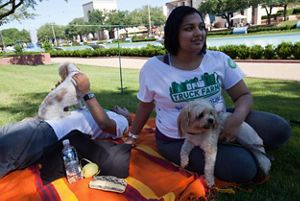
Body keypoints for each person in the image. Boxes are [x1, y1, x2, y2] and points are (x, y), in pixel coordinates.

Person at [125, 6, 291, 184]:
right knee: (245, 167)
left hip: (219, 119)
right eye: (189, 28)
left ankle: (237, 143)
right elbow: (145, 105)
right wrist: (133, 136)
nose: (198, 33)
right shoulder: (153, 68)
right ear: (173, 34)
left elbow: (244, 95)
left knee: (280, 129)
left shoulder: (218, 59)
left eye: (201, 27)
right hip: (179, 139)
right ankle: (239, 150)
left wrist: (235, 121)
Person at [0, 73, 130, 179]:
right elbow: (67, 116)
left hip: (45, 134)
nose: (121, 108)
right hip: (36, 125)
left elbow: (105, 124)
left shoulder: (121, 120)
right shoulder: (97, 110)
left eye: (125, 110)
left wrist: (87, 92)